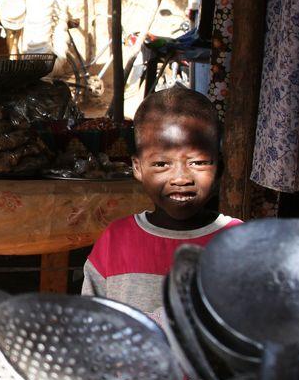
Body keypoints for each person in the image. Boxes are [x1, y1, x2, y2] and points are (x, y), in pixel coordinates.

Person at [81, 86, 241, 323]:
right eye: (161, 164)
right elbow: (91, 323)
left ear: (220, 168)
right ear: (138, 168)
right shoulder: (116, 240)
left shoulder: (241, 243)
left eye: (198, 162)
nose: (181, 178)